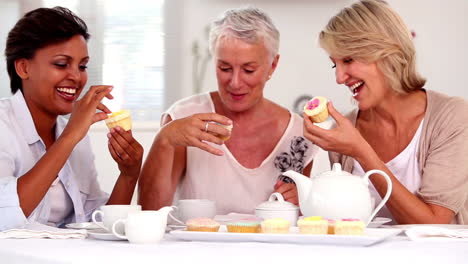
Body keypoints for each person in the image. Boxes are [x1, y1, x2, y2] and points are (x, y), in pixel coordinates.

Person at [139, 6, 319, 214]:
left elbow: (305, 224)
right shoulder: (182, 117)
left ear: (273, 66)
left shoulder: (298, 133)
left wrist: (305, 200)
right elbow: (149, 212)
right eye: (224, 68)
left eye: (248, 70)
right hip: (195, 246)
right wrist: (164, 139)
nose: (234, 82)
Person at [304, 0, 468, 224]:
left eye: (348, 60)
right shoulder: (347, 129)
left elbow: (433, 224)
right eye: (335, 64)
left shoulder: (453, 118)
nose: (339, 78)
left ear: (386, 52)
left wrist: (362, 151)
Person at [0, 7, 143, 231]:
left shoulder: (74, 134)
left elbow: (98, 224)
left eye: (82, 66)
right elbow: (5, 216)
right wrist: (69, 138)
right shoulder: (4, 126)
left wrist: (129, 174)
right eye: (61, 64)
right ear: (23, 67)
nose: (76, 77)